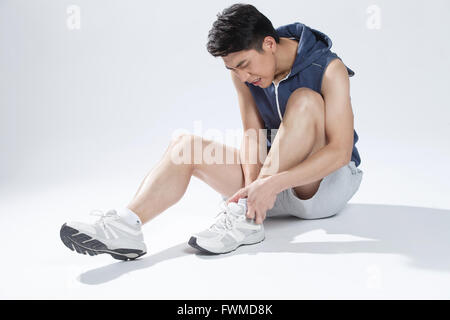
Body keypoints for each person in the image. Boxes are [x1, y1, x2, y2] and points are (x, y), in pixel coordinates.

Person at [59, 3, 363, 260]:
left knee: (306, 101)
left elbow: (339, 151)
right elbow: (251, 133)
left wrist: (271, 184)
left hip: (322, 186)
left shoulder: (328, 67)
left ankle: (245, 215)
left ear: (269, 44)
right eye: (233, 70)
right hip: (269, 183)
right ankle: (127, 226)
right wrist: (256, 187)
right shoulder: (244, 74)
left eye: (245, 65)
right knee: (185, 145)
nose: (243, 76)